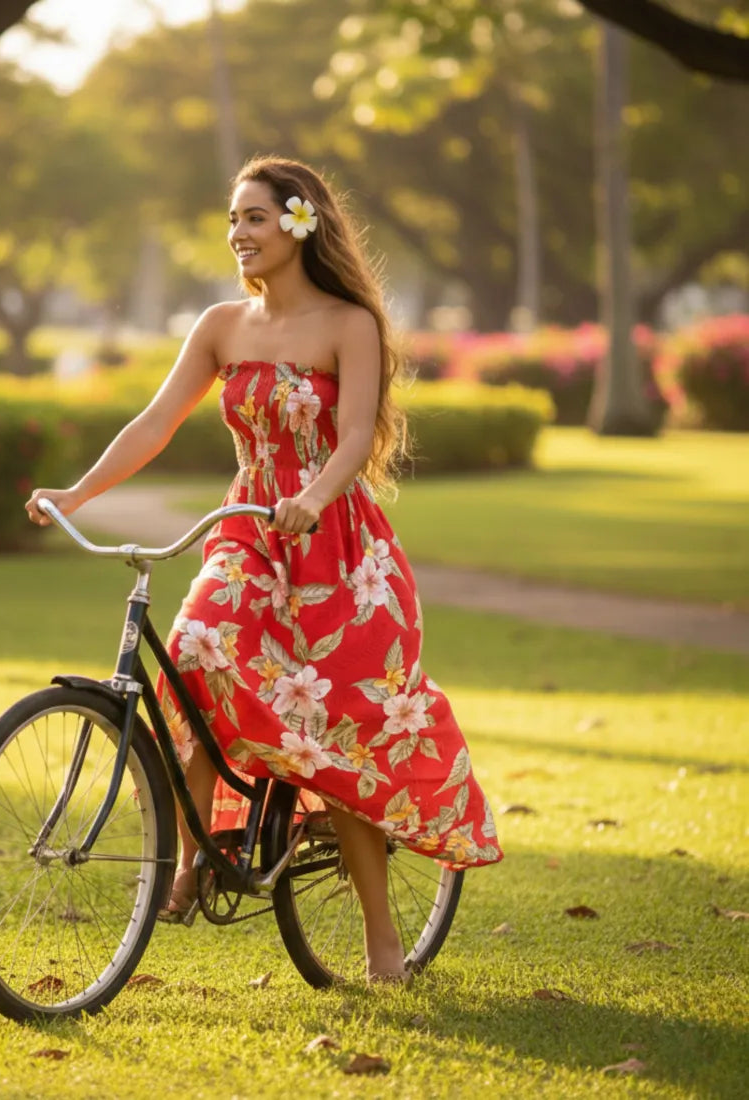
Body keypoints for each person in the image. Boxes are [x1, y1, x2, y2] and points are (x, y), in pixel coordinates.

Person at [26, 154, 502, 985]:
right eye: (233, 219)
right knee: (197, 644)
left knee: (341, 736)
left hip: (342, 550)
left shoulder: (348, 322)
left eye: (254, 218)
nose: (237, 234)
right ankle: (197, 856)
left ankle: (383, 941)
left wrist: (315, 495)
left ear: (299, 223)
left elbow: (355, 435)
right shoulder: (219, 324)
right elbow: (154, 421)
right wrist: (78, 489)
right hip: (249, 526)